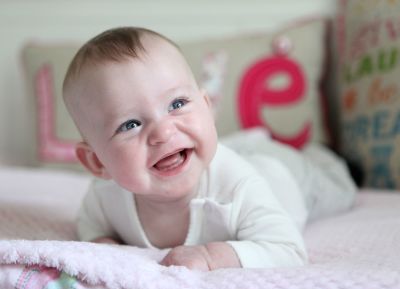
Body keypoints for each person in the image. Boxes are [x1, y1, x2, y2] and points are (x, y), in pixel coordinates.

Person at [62, 27, 356, 271]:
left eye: (177, 104)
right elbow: (88, 223)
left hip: (286, 177)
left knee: (339, 185)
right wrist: (101, 242)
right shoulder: (104, 198)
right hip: (231, 155)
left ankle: (321, 155)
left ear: (206, 105)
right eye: (130, 125)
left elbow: (288, 250)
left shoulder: (238, 186)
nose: (163, 132)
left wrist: (211, 256)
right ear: (96, 162)